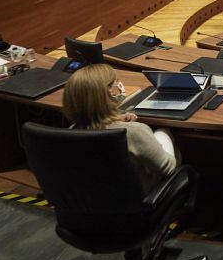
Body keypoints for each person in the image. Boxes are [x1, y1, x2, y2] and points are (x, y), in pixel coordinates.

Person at [62, 64, 178, 192]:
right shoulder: (134, 132)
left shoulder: (69, 133)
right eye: (115, 81)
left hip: (93, 201)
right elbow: (168, 169)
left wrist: (115, 120)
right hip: (141, 200)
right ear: (109, 92)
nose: (119, 84)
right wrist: (163, 133)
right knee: (162, 133)